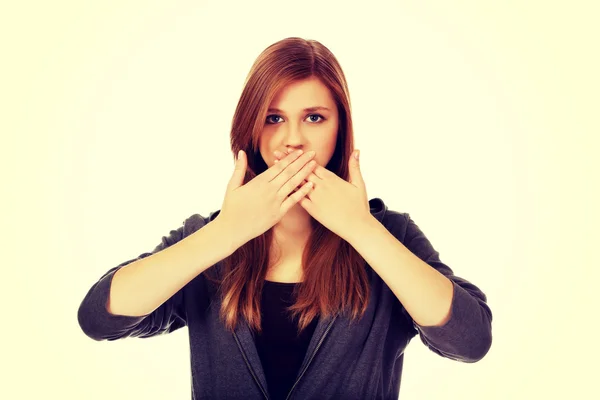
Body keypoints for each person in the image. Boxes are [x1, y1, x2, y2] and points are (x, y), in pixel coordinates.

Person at [77, 37, 493, 400]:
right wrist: (227, 232)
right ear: (251, 129)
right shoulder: (212, 237)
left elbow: (470, 340)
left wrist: (361, 229)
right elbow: (98, 318)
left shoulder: (390, 234)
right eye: (274, 118)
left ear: (340, 129)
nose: (293, 139)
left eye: (314, 117)